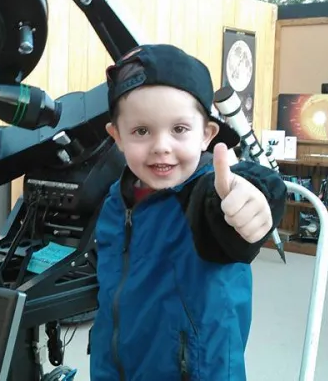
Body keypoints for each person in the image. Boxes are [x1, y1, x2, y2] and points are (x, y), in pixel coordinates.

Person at [88, 44, 287, 380]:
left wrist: (256, 195)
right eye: (141, 131)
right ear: (117, 137)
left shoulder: (203, 199)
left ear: (207, 134)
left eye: (179, 129)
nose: (161, 145)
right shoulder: (115, 199)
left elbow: (241, 192)